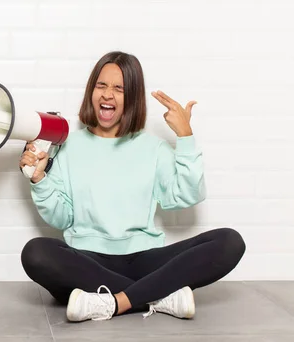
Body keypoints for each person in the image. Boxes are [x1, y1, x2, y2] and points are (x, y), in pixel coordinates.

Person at [19, 51, 246, 322]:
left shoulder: (154, 148)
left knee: (230, 241)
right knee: (35, 253)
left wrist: (185, 137)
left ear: (133, 98)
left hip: (145, 260)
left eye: (119, 88)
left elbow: (188, 195)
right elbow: (61, 218)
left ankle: (112, 301)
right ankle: (158, 294)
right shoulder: (67, 146)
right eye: (101, 85)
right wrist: (39, 180)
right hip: (87, 261)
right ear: (91, 91)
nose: (107, 95)